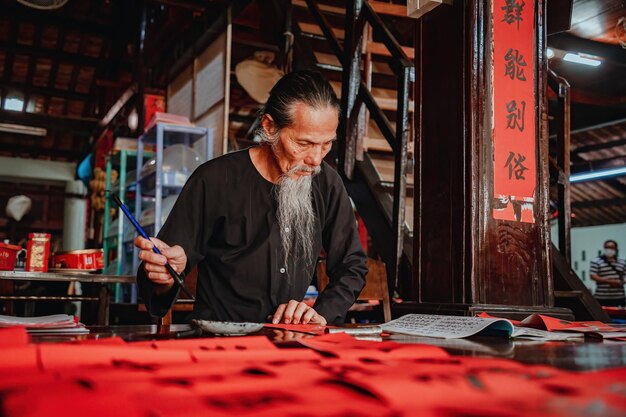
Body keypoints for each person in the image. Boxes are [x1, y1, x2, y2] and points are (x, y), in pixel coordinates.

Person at [135, 70, 367, 326]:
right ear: (269, 127)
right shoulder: (214, 180)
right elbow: (160, 274)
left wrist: (321, 313)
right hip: (219, 342)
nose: (315, 159)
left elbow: (351, 264)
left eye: (326, 145)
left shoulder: (327, 183)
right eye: (303, 143)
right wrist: (165, 275)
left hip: (290, 342)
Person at [589, 240, 625, 307]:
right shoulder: (596, 261)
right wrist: (610, 281)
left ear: (616, 249)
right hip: (602, 297)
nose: (609, 249)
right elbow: (593, 276)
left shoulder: (622, 262)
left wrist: (621, 282)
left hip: (619, 297)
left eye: (611, 247)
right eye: (607, 247)